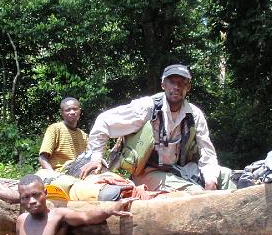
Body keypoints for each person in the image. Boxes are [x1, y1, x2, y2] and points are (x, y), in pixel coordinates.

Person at [78, 64, 228, 193]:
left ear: (188, 87)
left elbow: (208, 154)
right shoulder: (147, 107)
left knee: (227, 177)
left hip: (181, 169)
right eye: (171, 82)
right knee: (194, 192)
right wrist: (96, 157)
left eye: (182, 83)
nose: (176, 87)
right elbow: (104, 121)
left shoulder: (194, 114)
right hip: (149, 172)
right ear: (163, 85)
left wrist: (210, 180)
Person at [16, 174, 132, 235]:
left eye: (36, 195)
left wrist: (110, 210)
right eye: (25, 198)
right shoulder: (21, 220)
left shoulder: (58, 215)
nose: (31, 201)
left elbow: (85, 217)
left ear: (45, 193)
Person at [38, 97, 88, 172]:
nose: (72, 112)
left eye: (75, 109)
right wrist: (53, 175)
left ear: (79, 111)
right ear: (62, 113)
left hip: (77, 172)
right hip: (58, 172)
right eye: (68, 110)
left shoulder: (83, 135)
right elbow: (42, 158)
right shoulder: (55, 129)